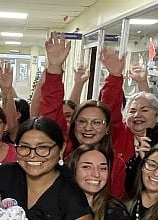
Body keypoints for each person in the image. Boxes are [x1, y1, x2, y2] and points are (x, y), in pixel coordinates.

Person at [39, 36, 127, 199]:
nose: (88, 128)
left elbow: (111, 110)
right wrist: (54, 68)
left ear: (107, 127)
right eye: (82, 121)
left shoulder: (114, 164)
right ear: (73, 124)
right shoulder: (63, 150)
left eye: (96, 123)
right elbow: (51, 110)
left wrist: (115, 77)